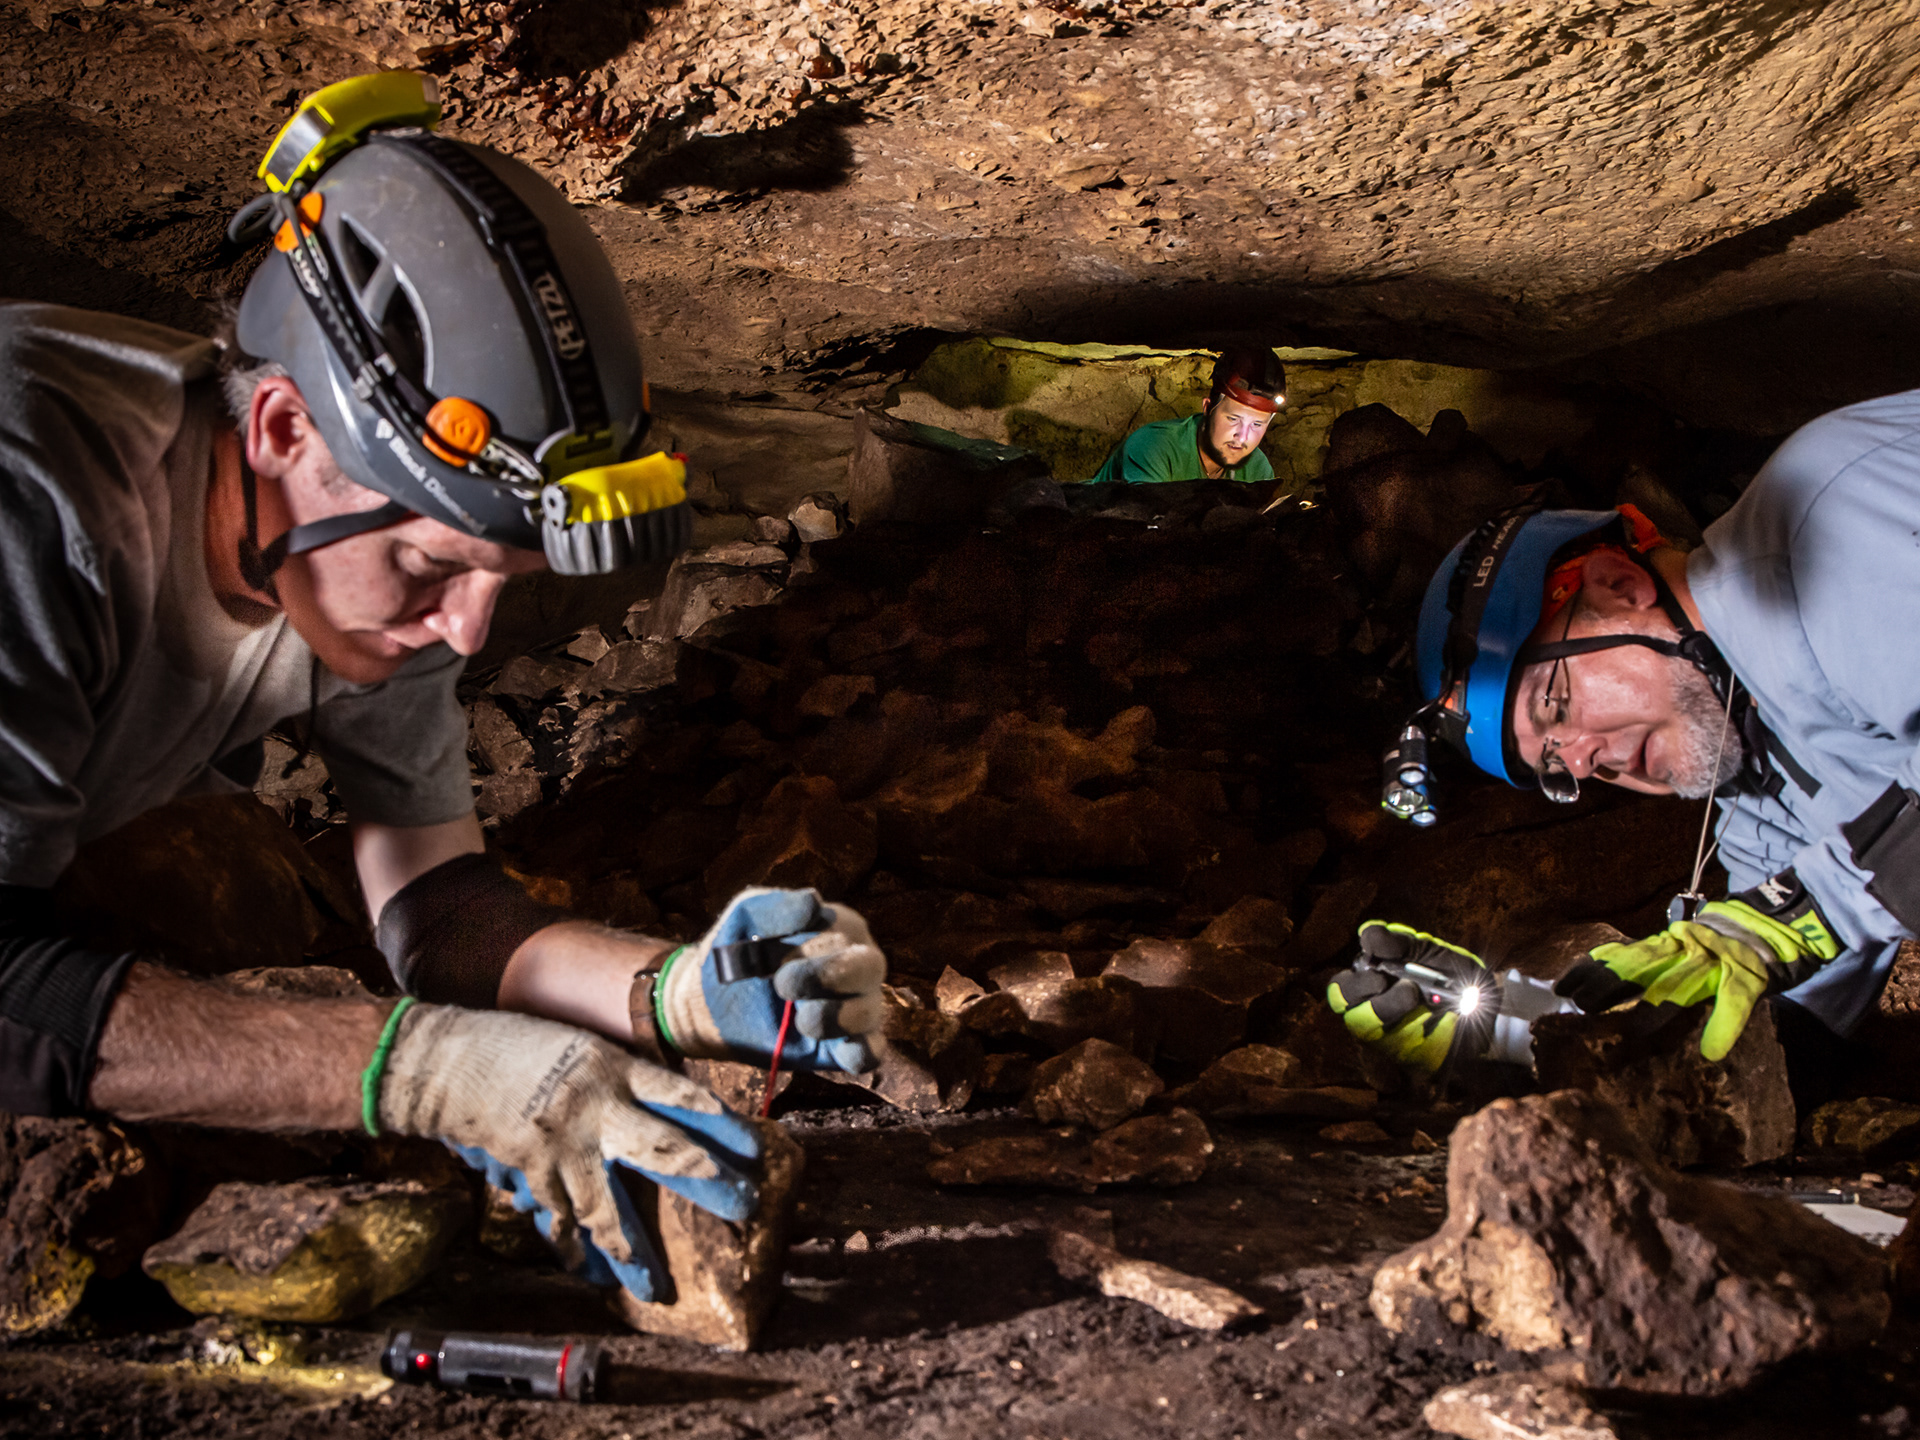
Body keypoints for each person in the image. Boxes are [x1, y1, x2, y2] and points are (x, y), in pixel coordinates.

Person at [0, 72, 886, 1301]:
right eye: (431, 566)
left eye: (501, 584)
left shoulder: (353, 569)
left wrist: (671, 989)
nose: (463, 634)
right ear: (278, 430)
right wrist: (425, 1073)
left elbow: (438, 910)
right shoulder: (37, 504)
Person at [1327, 389, 1920, 1089]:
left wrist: (1809, 910)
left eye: (1557, 705)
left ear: (1619, 585)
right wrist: (1529, 1031)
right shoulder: (1762, 801)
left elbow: (1818, 906)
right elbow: (1760, 1033)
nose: (1581, 759)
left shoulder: (1831, 508)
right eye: (1552, 764)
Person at [1085, 347, 1285, 484]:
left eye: (1257, 424)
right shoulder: (1153, 446)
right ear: (1207, 408)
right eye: (1233, 419)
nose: (1242, 436)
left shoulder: (1258, 470)